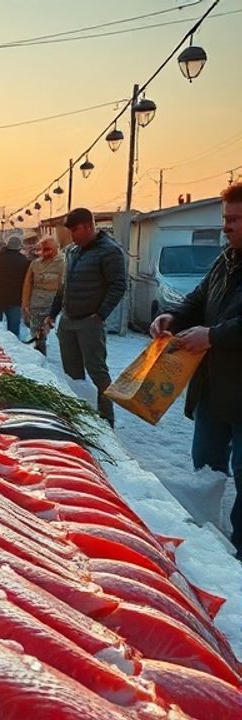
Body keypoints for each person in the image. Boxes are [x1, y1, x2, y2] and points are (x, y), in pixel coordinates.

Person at [149, 183, 242, 551]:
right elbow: (198, 299)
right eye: (225, 219)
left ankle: (236, 558)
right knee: (206, 470)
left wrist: (214, 336)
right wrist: (172, 317)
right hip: (213, 389)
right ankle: (208, 543)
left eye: (235, 220)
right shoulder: (225, 260)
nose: (226, 227)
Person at [44, 207, 128, 426]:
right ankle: (79, 417)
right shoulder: (72, 251)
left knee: (98, 372)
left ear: (89, 226)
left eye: (76, 230)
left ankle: (106, 419)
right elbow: (64, 288)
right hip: (68, 321)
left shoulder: (109, 251)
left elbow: (118, 285)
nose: (72, 235)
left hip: (89, 323)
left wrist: (100, 314)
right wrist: (52, 314)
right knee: (72, 374)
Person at [22, 234, 66, 354]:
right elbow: (28, 284)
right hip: (36, 303)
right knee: (36, 333)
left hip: (53, 304)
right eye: (43, 249)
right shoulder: (35, 264)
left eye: (48, 249)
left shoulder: (63, 263)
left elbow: (64, 286)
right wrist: (25, 303)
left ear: (56, 248)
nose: (44, 253)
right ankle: (40, 355)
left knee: (48, 332)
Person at [0, 236, 31, 335]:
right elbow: (28, 280)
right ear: (20, 247)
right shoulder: (24, 260)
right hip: (15, 299)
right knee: (13, 329)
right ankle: (13, 349)